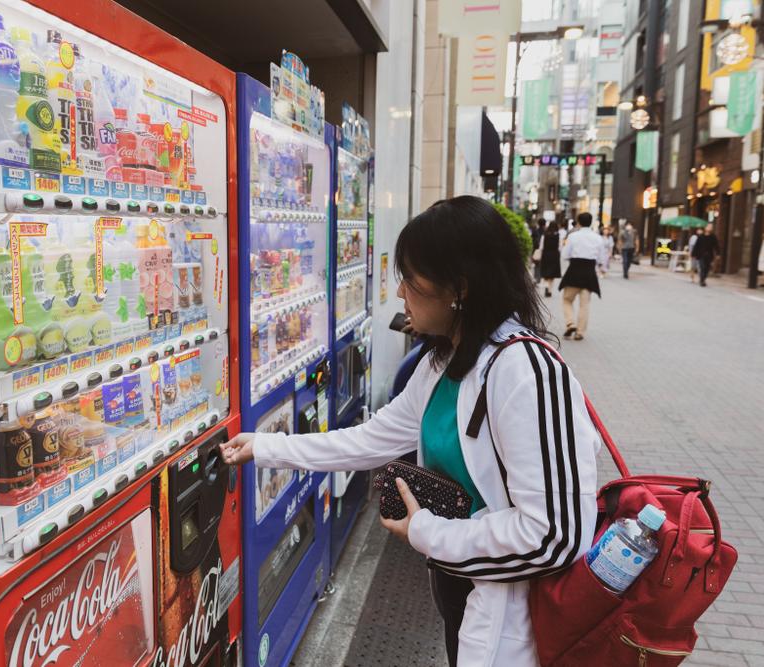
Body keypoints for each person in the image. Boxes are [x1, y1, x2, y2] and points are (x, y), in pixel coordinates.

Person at [220, 196, 600, 667]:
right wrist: (267, 446)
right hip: (465, 593)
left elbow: (555, 536)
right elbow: (369, 439)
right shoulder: (446, 361)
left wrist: (428, 532)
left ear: (458, 288)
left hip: (524, 625)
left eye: (411, 279)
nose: (399, 292)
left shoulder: (526, 372)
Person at [558, 213, 602, 341]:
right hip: (589, 273)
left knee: (567, 300)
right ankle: (580, 332)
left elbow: (565, 255)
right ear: (591, 222)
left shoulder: (573, 236)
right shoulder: (597, 238)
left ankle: (570, 323)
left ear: (578, 222)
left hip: (574, 271)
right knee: (584, 305)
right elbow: (600, 258)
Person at [538, 221, 562, 297]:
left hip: (545, 255)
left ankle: (546, 286)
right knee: (552, 275)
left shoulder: (544, 236)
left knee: (546, 273)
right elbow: (560, 247)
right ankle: (549, 290)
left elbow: (541, 247)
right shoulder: (558, 236)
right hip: (555, 255)